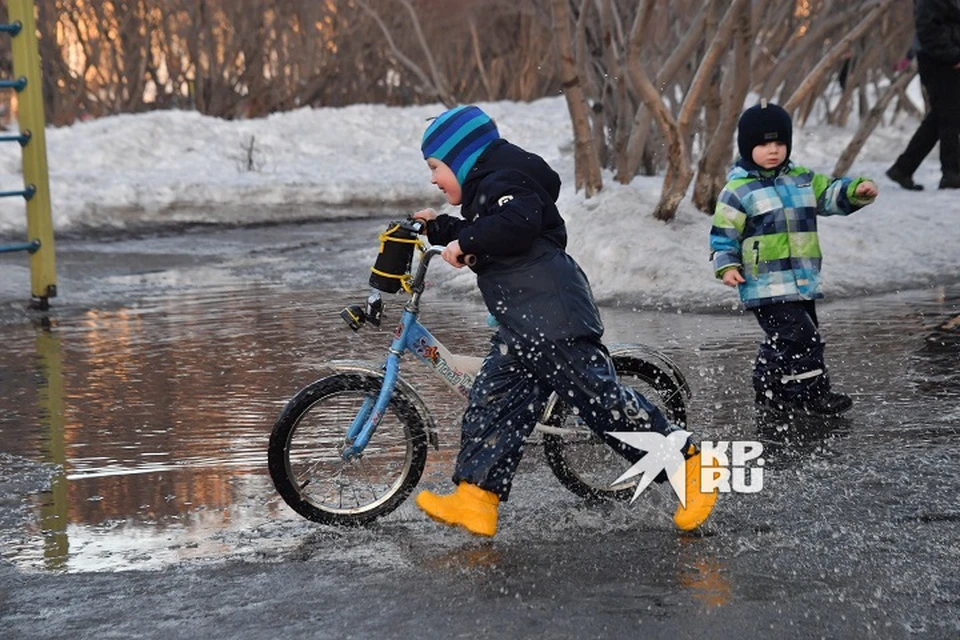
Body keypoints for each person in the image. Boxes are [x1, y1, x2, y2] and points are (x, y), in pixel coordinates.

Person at [411, 105, 718, 537]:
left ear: (463, 158)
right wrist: (440, 228)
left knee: (600, 402)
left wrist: (467, 241)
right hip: (522, 325)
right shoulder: (490, 191)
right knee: (494, 402)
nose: (432, 178)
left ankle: (690, 466)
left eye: (436, 166)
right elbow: (490, 225)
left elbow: (516, 224)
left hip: (551, 317)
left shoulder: (503, 183)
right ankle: (476, 498)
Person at [710, 101, 879, 417]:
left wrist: (856, 191)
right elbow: (724, 233)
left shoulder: (802, 179)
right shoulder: (738, 190)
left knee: (785, 339)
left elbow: (830, 194)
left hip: (802, 279)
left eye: (779, 143)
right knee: (803, 338)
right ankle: (812, 394)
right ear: (748, 147)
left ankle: (769, 386)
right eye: (763, 144)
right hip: (765, 283)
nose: (773, 150)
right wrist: (727, 265)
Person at [886, 0, 960, 191]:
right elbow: (928, 29)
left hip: (947, 58)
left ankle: (903, 168)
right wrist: (953, 56)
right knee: (949, 116)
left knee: (940, 118)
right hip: (939, 61)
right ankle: (951, 174)